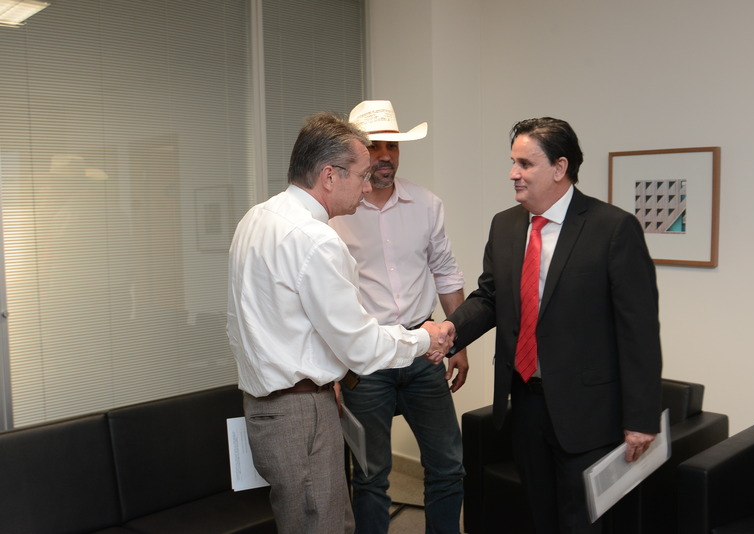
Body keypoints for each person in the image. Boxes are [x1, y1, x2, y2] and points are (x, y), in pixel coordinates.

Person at [227, 112, 453, 534]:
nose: (367, 187)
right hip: (301, 413)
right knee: (323, 524)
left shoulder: (256, 218)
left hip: (264, 409)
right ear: (330, 176)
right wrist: (425, 338)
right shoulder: (316, 239)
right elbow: (361, 346)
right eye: (362, 175)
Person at [442, 117, 663, 533]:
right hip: (526, 404)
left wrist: (641, 417)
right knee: (539, 517)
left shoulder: (613, 228)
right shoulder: (505, 225)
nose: (513, 173)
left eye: (525, 164)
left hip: (589, 413)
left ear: (560, 168)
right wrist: (450, 331)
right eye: (513, 162)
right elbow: (490, 298)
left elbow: (639, 332)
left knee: (582, 524)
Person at [329, 100, 467, 534]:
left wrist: (459, 342)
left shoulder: (426, 204)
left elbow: (446, 272)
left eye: (392, 146)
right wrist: (331, 370)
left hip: (424, 351)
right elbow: (324, 300)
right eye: (375, 147)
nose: (385, 155)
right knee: (370, 476)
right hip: (367, 358)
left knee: (448, 465)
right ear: (356, 152)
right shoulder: (335, 215)